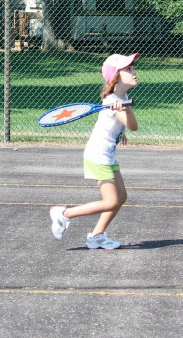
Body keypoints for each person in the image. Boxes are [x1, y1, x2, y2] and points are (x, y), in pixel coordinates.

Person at [50, 53, 139, 249]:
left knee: (121, 197)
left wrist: (120, 131)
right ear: (116, 77)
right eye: (128, 69)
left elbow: (120, 125)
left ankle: (97, 235)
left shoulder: (121, 98)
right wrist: (126, 112)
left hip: (107, 155)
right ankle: (64, 214)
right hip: (98, 157)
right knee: (111, 201)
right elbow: (134, 125)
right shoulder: (112, 101)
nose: (134, 72)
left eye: (133, 68)